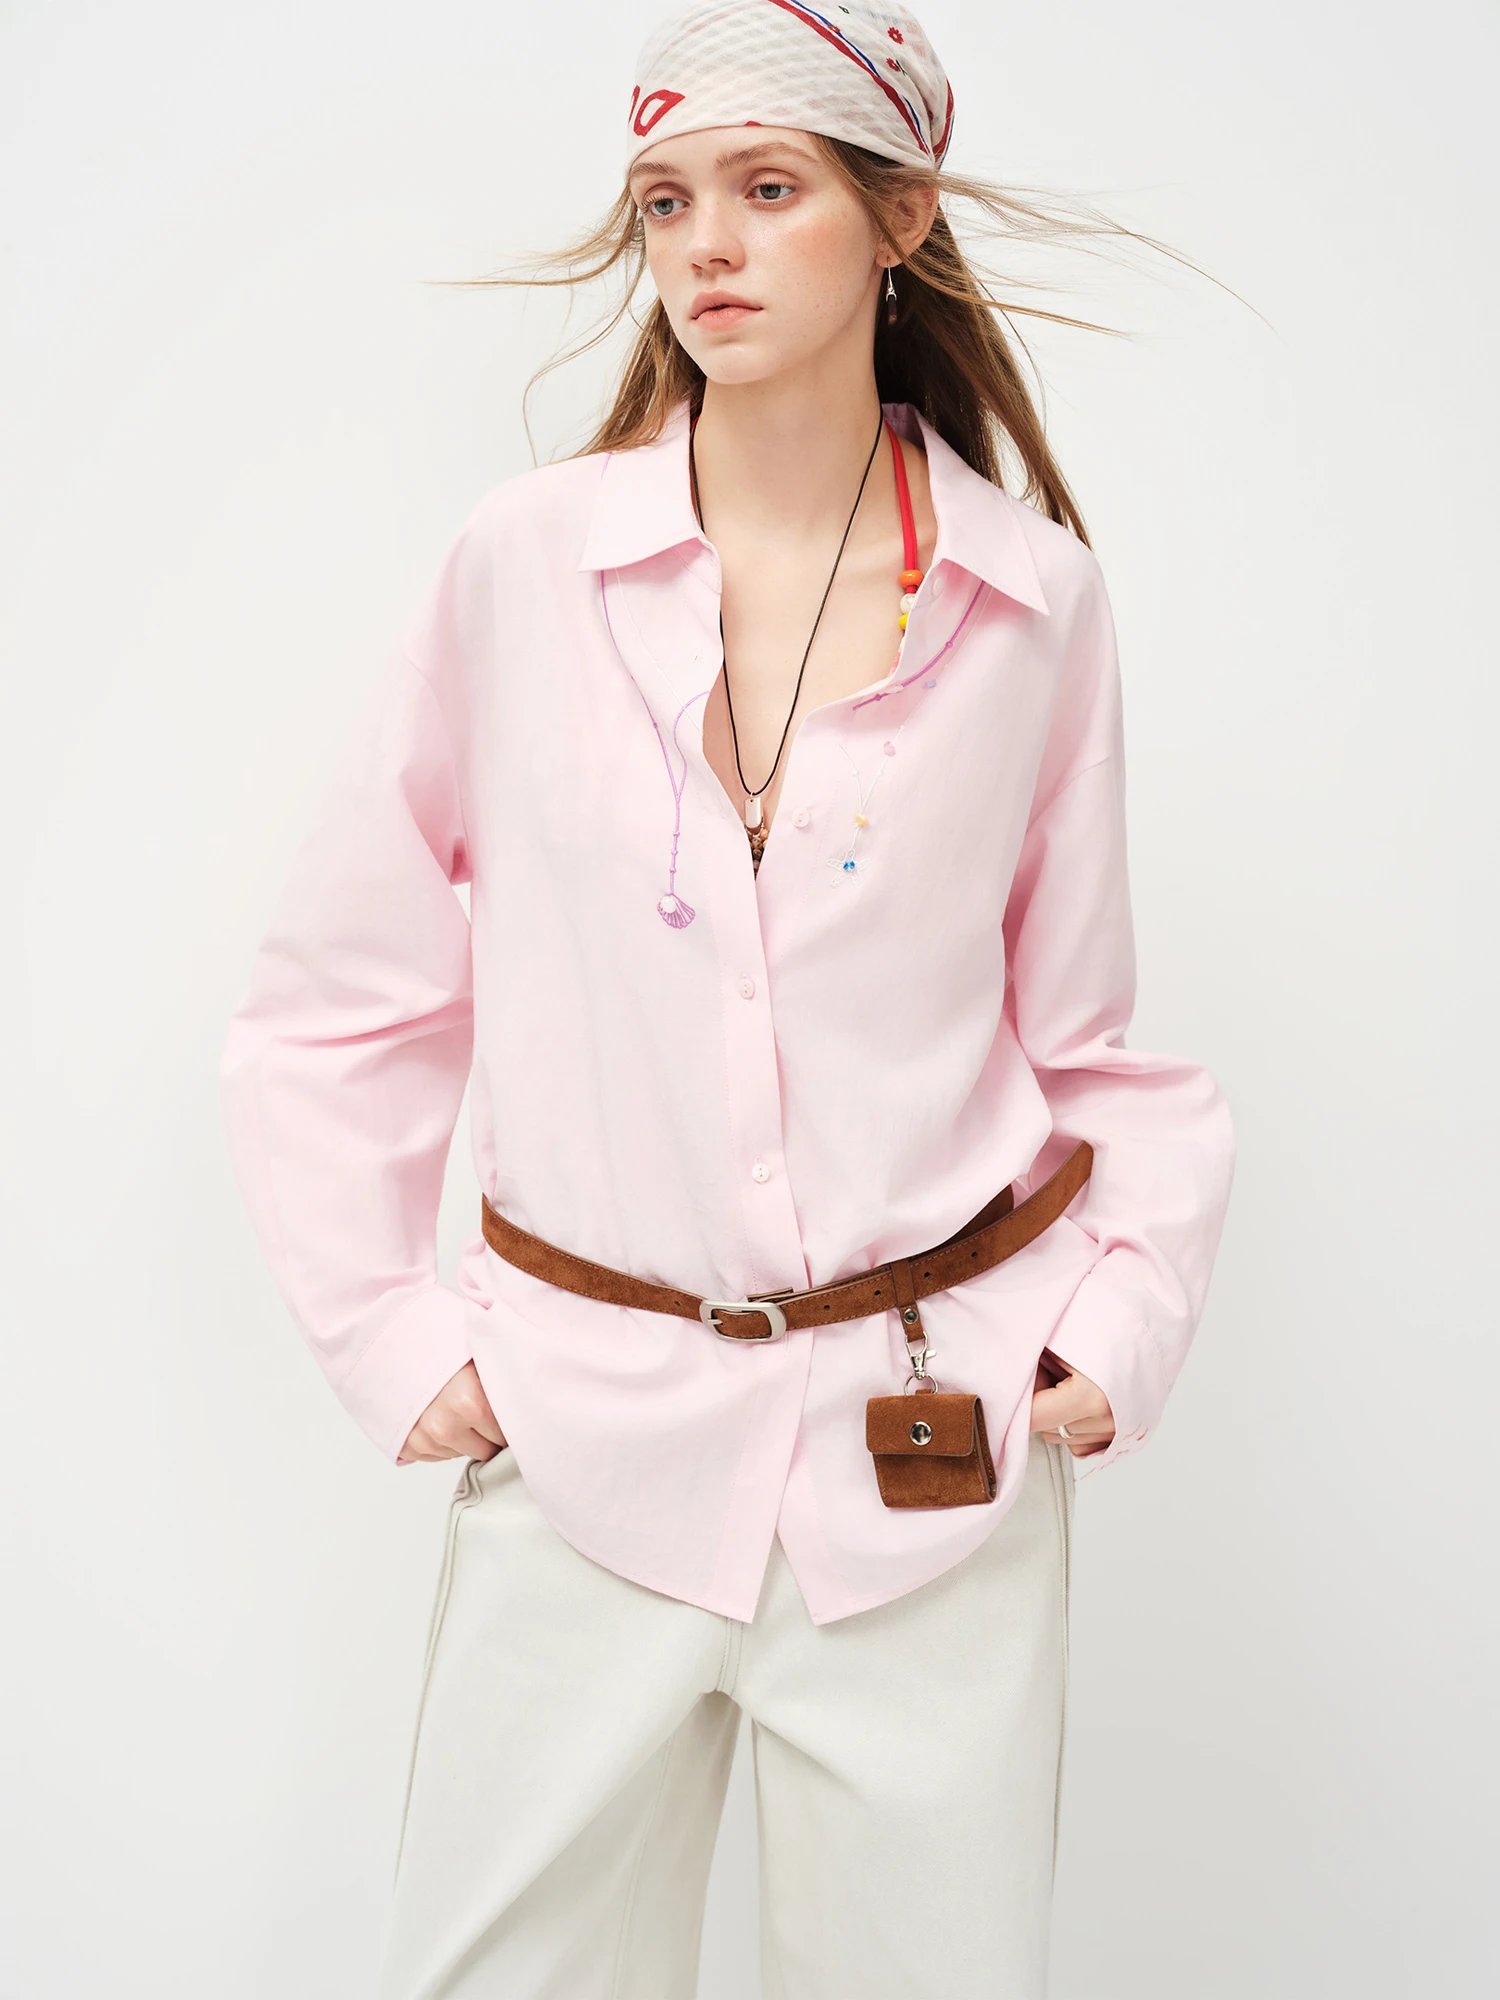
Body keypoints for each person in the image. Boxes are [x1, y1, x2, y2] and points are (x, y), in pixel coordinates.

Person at [219, 3, 1235, 1993]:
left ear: (901, 218)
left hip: (927, 1459)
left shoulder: (1034, 604)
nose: (706, 247)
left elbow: (1096, 1042)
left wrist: (1118, 1322)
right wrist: (392, 1333)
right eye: (668, 201)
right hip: (582, 1438)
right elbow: (342, 990)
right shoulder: (522, 569)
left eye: (769, 190)